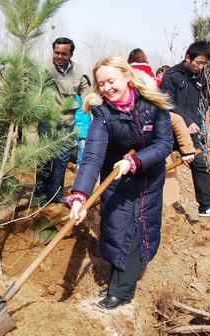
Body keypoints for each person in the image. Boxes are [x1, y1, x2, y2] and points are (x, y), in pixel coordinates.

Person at [69, 56, 173, 310]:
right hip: (114, 177)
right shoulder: (103, 112)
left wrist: (136, 161)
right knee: (115, 226)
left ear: (127, 76)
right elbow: (93, 154)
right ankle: (118, 281)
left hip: (147, 177)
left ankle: (122, 290)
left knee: (137, 229)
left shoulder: (152, 106)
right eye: (101, 83)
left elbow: (164, 145)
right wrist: (80, 195)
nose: (106, 88)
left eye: (111, 81)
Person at [161, 41, 210, 217]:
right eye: (198, 62)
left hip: (191, 130)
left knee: (199, 165)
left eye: (204, 63)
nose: (200, 67)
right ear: (188, 57)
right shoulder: (172, 76)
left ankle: (206, 206)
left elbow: (206, 97)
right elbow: (167, 103)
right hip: (171, 128)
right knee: (159, 165)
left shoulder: (200, 77)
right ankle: (157, 203)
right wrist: (187, 120)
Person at [36, 37, 90, 205]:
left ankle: (55, 195)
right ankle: (39, 196)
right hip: (48, 122)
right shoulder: (45, 69)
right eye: (56, 52)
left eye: (63, 54)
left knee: (61, 161)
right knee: (44, 160)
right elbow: (36, 89)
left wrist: (88, 102)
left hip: (67, 123)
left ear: (70, 55)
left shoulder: (78, 70)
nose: (59, 56)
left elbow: (85, 89)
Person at [74, 75, 92, 169]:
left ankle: (79, 164)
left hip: (84, 124)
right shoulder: (74, 96)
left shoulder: (88, 97)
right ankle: (77, 163)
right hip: (76, 123)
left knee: (82, 146)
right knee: (78, 146)